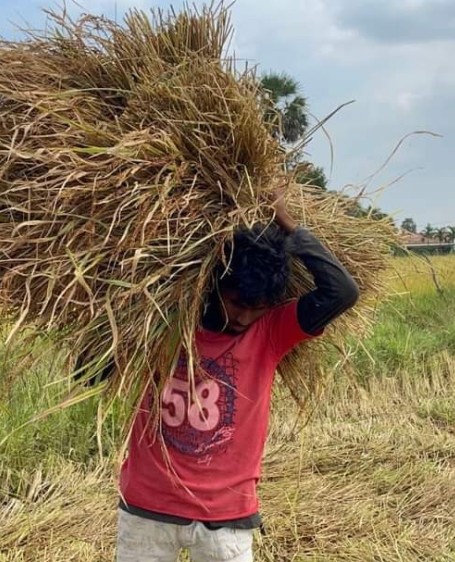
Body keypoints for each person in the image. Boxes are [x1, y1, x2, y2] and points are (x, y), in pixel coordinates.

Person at [101, 192, 359, 562]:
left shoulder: (271, 332)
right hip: (148, 507)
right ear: (213, 284)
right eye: (237, 302)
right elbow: (92, 368)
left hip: (226, 516)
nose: (243, 318)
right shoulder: (161, 322)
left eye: (257, 308)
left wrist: (290, 229)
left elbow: (342, 292)